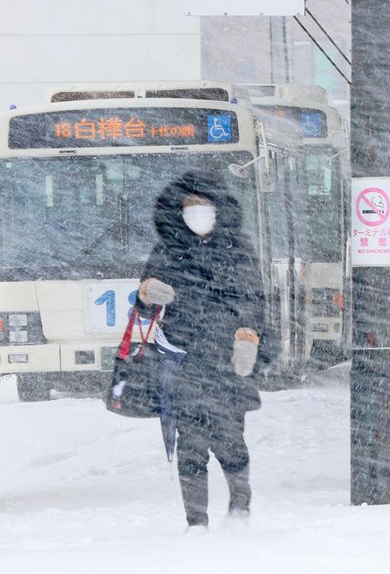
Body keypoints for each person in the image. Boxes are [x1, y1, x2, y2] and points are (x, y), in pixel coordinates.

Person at [135, 169, 268, 531]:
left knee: (229, 440)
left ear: (217, 208)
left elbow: (253, 300)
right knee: (190, 445)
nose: (197, 212)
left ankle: (240, 507)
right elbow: (143, 302)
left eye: (203, 205)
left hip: (227, 363)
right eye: (190, 206)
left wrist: (248, 336)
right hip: (183, 361)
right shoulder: (167, 249)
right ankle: (196, 522)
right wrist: (148, 293)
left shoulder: (237, 248)